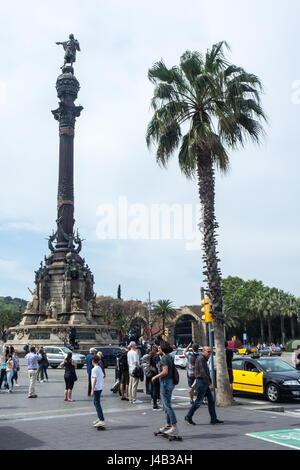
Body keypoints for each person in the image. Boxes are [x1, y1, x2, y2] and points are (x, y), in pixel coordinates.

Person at [185, 346, 223, 425]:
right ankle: (188, 416)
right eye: (208, 352)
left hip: (204, 382)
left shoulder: (202, 359)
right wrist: (210, 384)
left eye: (210, 352)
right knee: (198, 401)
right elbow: (203, 373)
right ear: (203, 352)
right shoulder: (201, 359)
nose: (209, 353)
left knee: (211, 401)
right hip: (202, 383)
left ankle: (213, 418)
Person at [152, 341, 178, 437]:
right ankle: (168, 425)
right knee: (167, 404)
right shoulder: (169, 357)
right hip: (170, 382)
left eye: (159, 348)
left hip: (165, 383)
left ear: (162, 349)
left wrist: (155, 377)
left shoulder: (164, 358)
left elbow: (165, 371)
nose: (158, 349)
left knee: (167, 405)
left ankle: (174, 426)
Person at [91, 355, 106, 428]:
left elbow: (95, 379)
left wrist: (92, 390)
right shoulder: (99, 367)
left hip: (97, 388)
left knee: (96, 403)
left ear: (93, 361)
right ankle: (100, 417)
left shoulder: (94, 369)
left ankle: (101, 420)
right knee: (96, 402)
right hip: (100, 387)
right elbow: (102, 376)